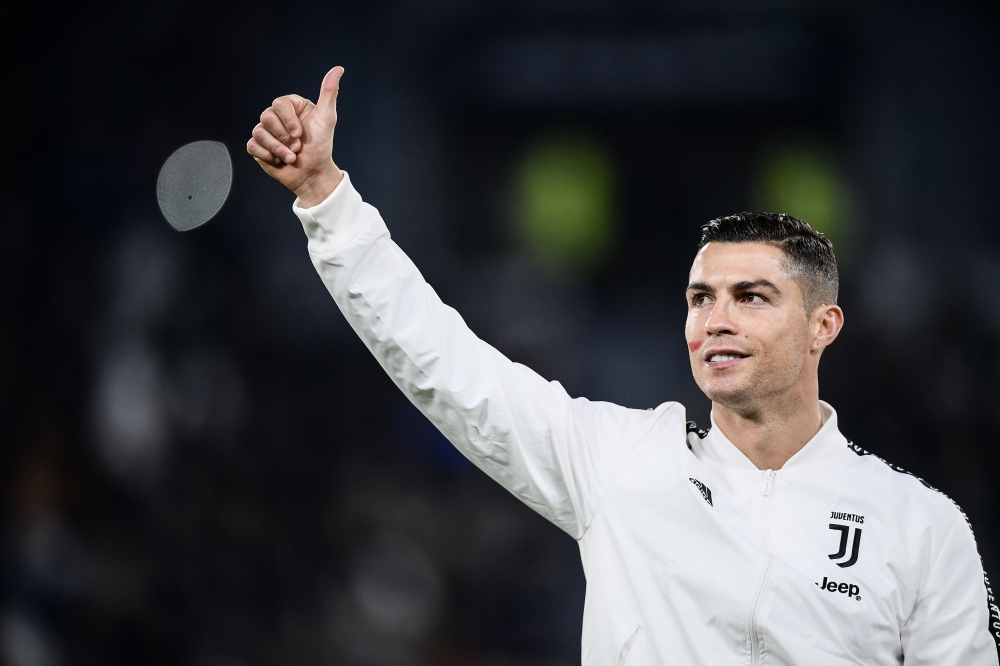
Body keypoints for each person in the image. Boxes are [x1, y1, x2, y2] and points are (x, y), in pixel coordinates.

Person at [246, 66, 1000, 665]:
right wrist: (325, 198)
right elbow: (443, 362)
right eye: (701, 298)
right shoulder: (618, 461)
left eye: (752, 297)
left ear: (821, 327)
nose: (718, 320)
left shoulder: (919, 527)